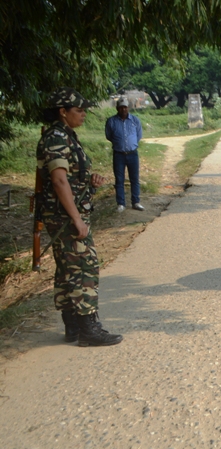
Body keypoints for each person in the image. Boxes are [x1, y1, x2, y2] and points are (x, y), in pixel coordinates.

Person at [37, 88, 124, 346]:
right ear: (63, 112)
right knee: (85, 267)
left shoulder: (66, 136)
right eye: (78, 110)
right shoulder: (56, 138)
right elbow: (58, 179)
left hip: (65, 213)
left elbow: (70, 177)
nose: (84, 114)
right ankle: (88, 328)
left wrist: (90, 181)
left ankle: (73, 326)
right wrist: (76, 218)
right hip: (65, 217)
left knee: (68, 269)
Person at [105, 97, 144, 213]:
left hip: (133, 154)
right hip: (119, 155)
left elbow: (139, 135)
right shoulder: (111, 121)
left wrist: (130, 144)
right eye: (121, 107)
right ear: (117, 108)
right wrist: (119, 143)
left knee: (135, 179)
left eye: (125, 107)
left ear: (128, 108)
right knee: (119, 179)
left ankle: (136, 202)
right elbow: (109, 136)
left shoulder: (135, 120)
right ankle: (121, 203)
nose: (123, 109)